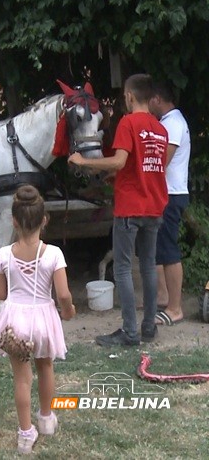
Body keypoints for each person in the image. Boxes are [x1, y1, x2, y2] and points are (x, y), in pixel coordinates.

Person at [69, 74, 168, 346]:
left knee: (123, 268)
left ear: (130, 96)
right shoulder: (160, 129)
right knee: (148, 265)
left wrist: (84, 162)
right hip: (154, 205)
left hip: (130, 207)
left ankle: (129, 332)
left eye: (124, 95)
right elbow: (145, 166)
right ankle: (148, 327)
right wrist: (117, 176)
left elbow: (120, 161)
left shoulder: (128, 123)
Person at [0, 184, 76, 455]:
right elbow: (63, 294)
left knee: (21, 379)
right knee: (46, 367)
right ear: (44, 220)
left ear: (14, 221)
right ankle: (46, 418)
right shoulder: (54, 254)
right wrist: (69, 310)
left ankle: (25, 434)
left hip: (15, 322)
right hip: (44, 318)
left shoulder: (3, 255)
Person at [149, 81, 191, 326]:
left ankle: (175, 308)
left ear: (156, 98)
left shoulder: (173, 123)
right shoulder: (168, 122)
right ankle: (163, 296)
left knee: (169, 250)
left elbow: (162, 161)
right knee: (158, 248)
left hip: (171, 193)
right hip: (166, 192)